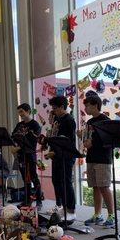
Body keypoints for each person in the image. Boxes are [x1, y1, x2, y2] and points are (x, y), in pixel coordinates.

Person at [81, 93, 115, 228]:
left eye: (87, 106)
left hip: (103, 158)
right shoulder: (89, 122)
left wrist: (92, 142)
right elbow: (87, 140)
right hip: (91, 157)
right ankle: (97, 214)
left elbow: (107, 141)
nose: (85, 109)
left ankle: (112, 215)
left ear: (95, 105)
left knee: (104, 186)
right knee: (95, 186)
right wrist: (83, 138)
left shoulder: (105, 120)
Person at [46, 95, 77, 223]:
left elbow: (66, 141)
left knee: (66, 182)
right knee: (56, 181)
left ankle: (71, 210)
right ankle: (63, 206)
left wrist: (55, 151)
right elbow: (54, 137)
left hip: (66, 156)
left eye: (55, 108)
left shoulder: (69, 120)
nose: (53, 110)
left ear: (62, 107)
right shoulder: (57, 120)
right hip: (56, 155)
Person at [11, 103, 43, 207]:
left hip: (30, 154)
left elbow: (32, 141)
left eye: (22, 112)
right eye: (19, 112)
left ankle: (39, 200)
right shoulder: (19, 125)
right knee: (25, 178)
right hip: (21, 155)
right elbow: (13, 137)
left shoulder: (35, 125)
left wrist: (18, 147)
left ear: (28, 111)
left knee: (33, 177)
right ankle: (27, 200)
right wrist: (14, 147)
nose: (20, 114)